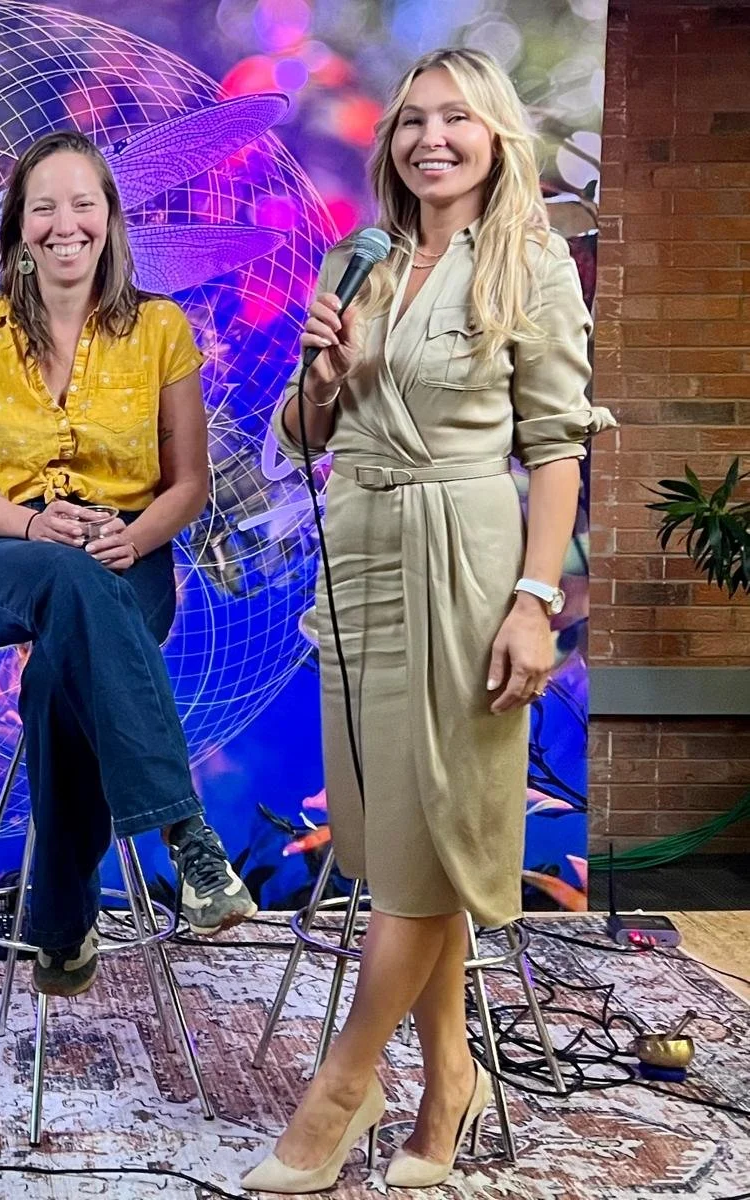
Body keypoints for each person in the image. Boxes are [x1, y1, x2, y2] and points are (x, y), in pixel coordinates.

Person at [243, 48, 614, 1193]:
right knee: (405, 842)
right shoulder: (365, 258)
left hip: (467, 557)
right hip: (358, 553)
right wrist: (322, 371)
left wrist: (535, 602)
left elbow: (556, 447)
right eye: (412, 120)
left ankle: (342, 1092)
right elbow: (306, 433)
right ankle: (451, 1079)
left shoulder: (533, 266)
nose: (430, 138)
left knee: (428, 833)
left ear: (498, 136)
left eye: (457, 118)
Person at [0, 130, 257, 1000]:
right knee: (70, 582)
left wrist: (138, 536)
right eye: (43, 207)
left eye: (83, 204)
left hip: (129, 552)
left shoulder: (160, 329)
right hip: (9, 553)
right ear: (18, 228)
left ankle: (61, 922)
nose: (63, 223)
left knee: (57, 682)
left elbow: (188, 484)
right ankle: (187, 833)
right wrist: (38, 529)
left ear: (110, 221)